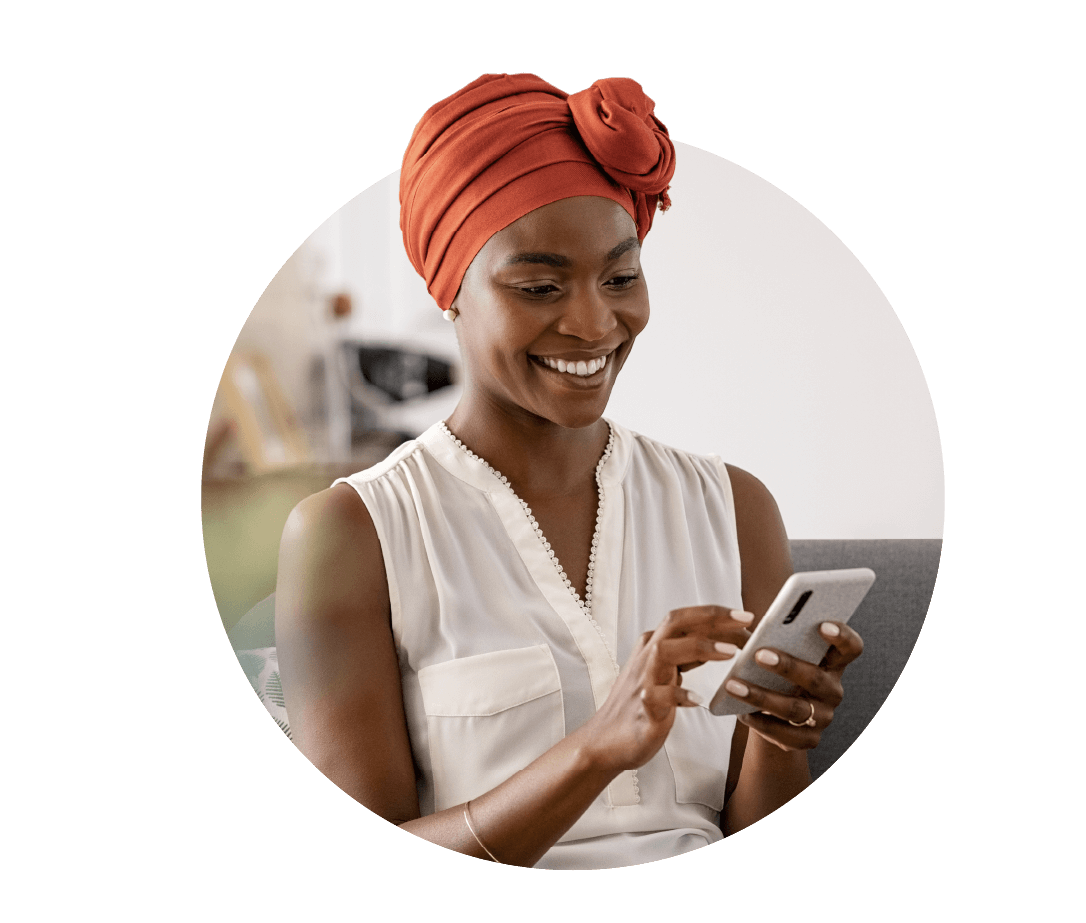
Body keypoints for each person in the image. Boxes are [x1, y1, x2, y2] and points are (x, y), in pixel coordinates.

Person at [274, 73, 864, 869]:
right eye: (540, 286)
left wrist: (774, 740)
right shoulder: (352, 533)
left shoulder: (733, 507)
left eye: (621, 278)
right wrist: (594, 750)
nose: (593, 323)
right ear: (451, 292)